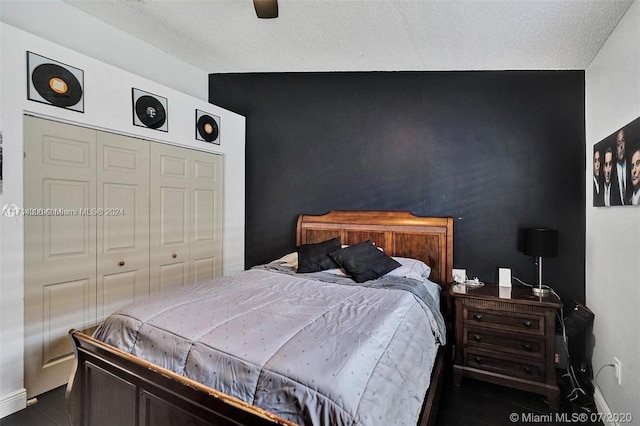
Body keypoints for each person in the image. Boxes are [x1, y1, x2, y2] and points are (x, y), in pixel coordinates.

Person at [612, 128, 632, 205]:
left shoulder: (632, 167)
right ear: (616, 151)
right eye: (618, 143)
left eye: (623, 141)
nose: (621, 146)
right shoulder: (611, 172)